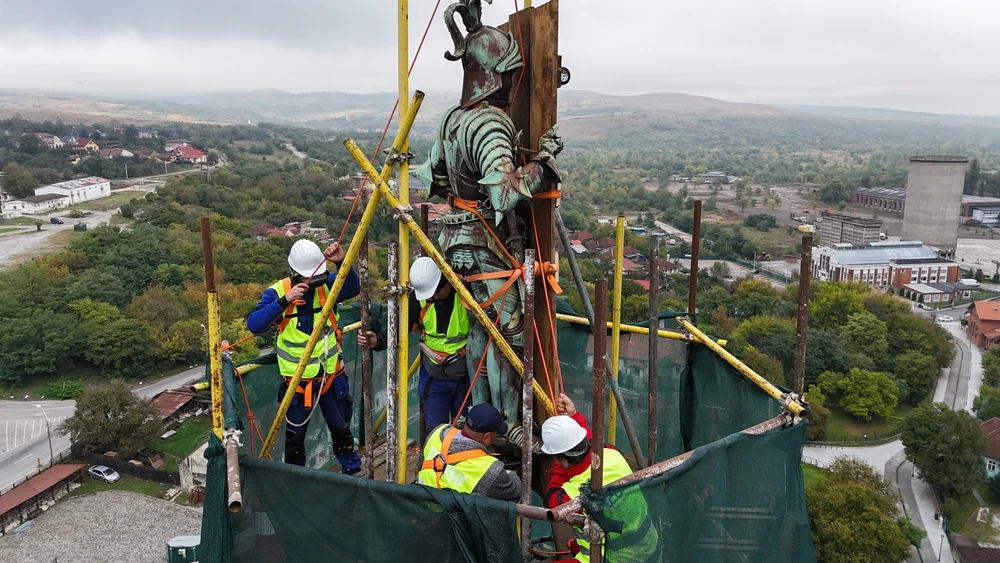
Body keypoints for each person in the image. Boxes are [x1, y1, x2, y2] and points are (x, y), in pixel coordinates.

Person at [246, 239, 362, 474]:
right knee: (295, 437)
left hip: (331, 377)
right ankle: (296, 477)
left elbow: (352, 288)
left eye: (316, 279)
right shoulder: (278, 292)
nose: (311, 285)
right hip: (298, 384)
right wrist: (284, 301)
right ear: (294, 273)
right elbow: (254, 324)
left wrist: (341, 263)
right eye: (307, 280)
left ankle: (352, 469)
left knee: (341, 428)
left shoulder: (325, 284)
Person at [358, 257, 471, 433]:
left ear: (445, 281)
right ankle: (432, 460)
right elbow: (400, 326)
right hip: (434, 376)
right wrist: (377, 341)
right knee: (436, 432)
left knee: (465, 432)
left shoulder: (465, 295)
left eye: (437, 292)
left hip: (464, 377)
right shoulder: (420, 299)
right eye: (429, 294)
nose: (433, 297)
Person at [540, 394, 658, 562]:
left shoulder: (571, 495)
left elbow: (550, 495)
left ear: (564, 461)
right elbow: (592, 443)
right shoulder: (611, 453)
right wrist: (575, 420)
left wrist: (559, 462)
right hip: (649, 551)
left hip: (611, 558)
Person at [417, 403, 522, 501]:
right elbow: (516, 491)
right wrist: (508, 472)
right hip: (451, 518)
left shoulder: (437, 431)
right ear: (486, 437)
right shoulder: (490, 470)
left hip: (421, 504)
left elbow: (417, 469)